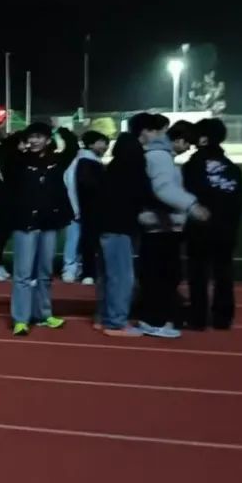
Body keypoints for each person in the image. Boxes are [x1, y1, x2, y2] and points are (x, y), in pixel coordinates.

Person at [135, 113, 209, 338]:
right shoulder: (160, 157)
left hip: (160, 227)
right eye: (188, 144)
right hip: (160, 227)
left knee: (160, 276)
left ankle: (156, 318)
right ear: (179, 140)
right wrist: (192, 206)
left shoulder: (159, 155)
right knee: (162, 276)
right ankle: (154, 320)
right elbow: (163, 189)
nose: (188, 149)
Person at [8, 123, 77, 336]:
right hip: (25, 223)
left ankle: (44, 314)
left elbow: (73, 147)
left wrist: (60, 130)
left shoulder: (56, 161)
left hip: (49, 223)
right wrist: (19, 137)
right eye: (31, 137)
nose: (34, 141)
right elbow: (4, 150)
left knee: (45, 273)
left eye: (39, 137)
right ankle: (21, 319)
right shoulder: (19, 160)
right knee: (23, 274)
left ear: (48, 140)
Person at [182, 118, 242, 330]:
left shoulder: (193, 165)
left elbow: (187, 197)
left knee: (198, 274)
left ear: (203, 139)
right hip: (226, 229)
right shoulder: (233, 168)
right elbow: (238, 204)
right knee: (224, 273)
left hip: (200, 229)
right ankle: (223, 318)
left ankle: (198, 318)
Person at [97, 132, 151, 337]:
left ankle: (105, 317)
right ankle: (116, 322)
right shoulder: (134, 171)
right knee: (121, 278)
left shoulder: (112, 168)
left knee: (108, 277)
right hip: (120, 229)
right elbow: (145, 196)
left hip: (104, 227)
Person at [63, 130, 110, 285]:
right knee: (76, 240)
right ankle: (72, 269)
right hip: (81, 209)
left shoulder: (85, 160)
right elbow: (78, 187)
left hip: (80, 209)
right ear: (90, 144)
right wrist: (76, 209)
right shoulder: (86, 161)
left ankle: (75, 269)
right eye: (101, 142)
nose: (105, 146)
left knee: (78, 240)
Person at [0, 133, 24, 282]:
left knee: (3, 232)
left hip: (2, 200)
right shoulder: (9, 157)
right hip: (5, 201)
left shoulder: (5, 156)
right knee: (2, 232)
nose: (25, 146)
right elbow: (13, 180)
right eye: (23, 142)